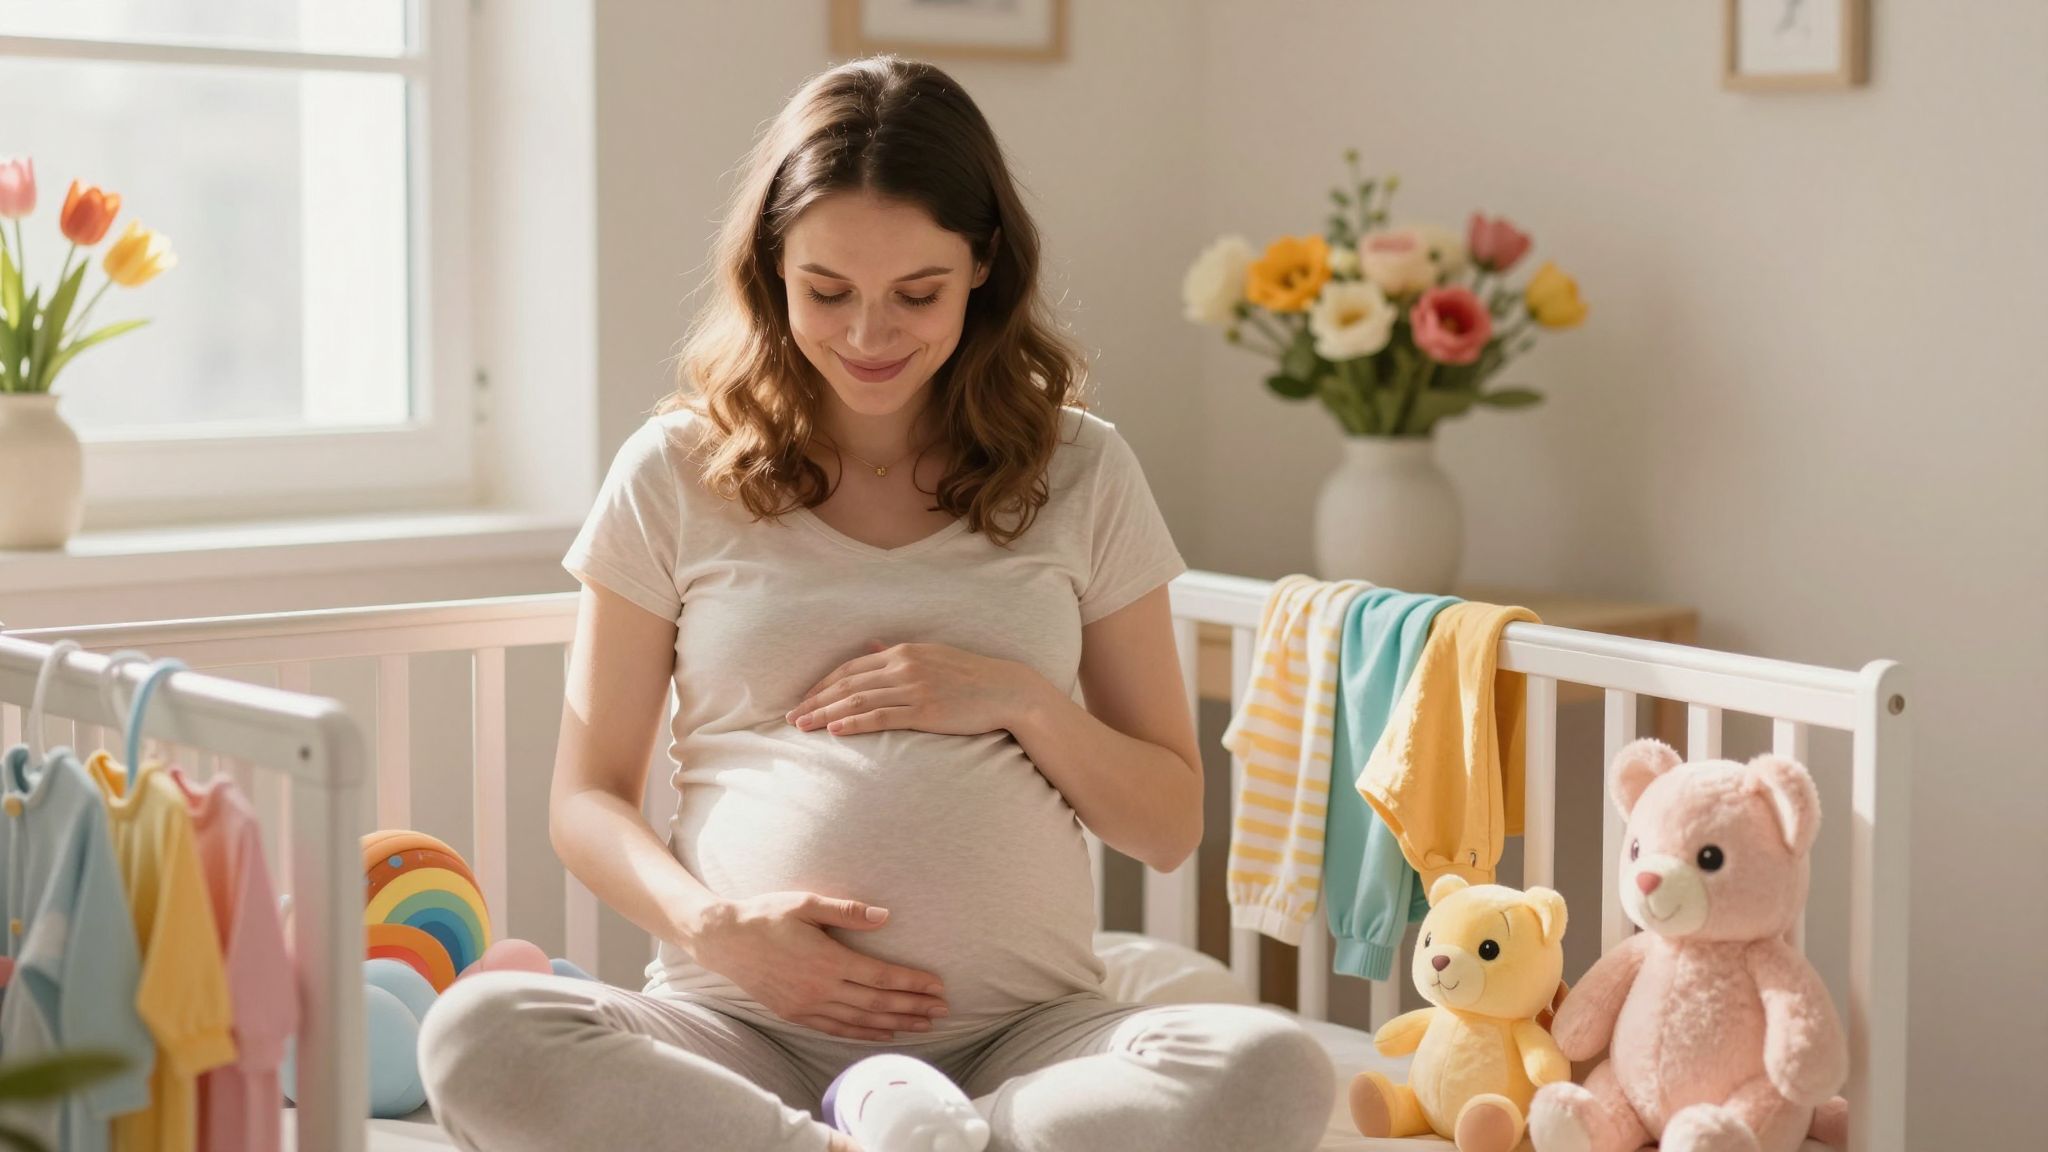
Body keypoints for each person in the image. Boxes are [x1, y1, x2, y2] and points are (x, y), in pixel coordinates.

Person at [418, 54, 1336, 1152]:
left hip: (1024, 1041)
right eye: (826, 291)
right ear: (769, 268)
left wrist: (1017, 699)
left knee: (1273, 1068)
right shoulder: (674, 471)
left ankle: (953, 1134)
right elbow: (586, 798)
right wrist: (714, 928)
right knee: (479, 1033)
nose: (867, 335)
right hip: (737, 1029)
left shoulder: (1081, 472)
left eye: (917, 294)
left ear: (982, 269)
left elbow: (1168, 823)